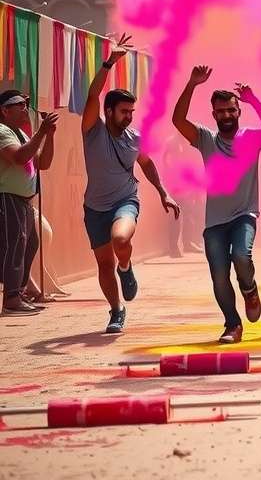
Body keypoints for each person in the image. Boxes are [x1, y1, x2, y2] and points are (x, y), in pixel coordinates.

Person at [172, 65, 261, 344]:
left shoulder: (251, 138)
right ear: (214, 115)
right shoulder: (206, 139)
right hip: (215, 223)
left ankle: (249, 289)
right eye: (220, 111)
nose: (226, 115)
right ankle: (232, 325)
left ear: (238, 111)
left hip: (244, 214)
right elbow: (178, 120)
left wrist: (253, 99)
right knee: (219, 277)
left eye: (231, 110)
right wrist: (191, 84)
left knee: (242, 256)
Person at [81, 35, 180, 334]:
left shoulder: (135, 138)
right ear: (109, 111)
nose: (129, 116)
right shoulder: (92, 130)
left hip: (125, 200)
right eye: (124, 111)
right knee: (103, 265)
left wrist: (163, 192)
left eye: (132, 112)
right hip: (94, 207)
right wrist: (109, 63)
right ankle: (116, 311)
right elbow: (92, 97)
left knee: (120, 240)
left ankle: (126, 267)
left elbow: (146, 164)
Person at [0, 90, 58, 316]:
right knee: (14, 246)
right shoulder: (2, 131)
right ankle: (11, 299)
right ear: (5, 111)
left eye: (26, 104)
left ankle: (20, 292)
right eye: (19, 104)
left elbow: (43, 163)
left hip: (23, 199)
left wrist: (49, 135)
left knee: (30, 243)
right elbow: (19, 157)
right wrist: (41, 131)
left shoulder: (22, 134)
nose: (25, 108)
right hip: (7, 196)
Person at [162, 134, 204, 258]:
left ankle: (188, 243)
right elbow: (167, 161)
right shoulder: (172, 142)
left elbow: (192, 164)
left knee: (189, 214)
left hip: (187, 183)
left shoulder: (189, 141)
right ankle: (174, 247)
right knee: (176, 214)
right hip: (176, 185)